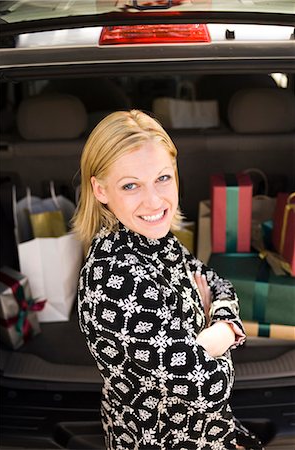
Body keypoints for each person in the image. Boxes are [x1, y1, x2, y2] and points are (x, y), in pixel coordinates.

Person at [73, 110, 263, 450]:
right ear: (100, 189)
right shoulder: (118, 278)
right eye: (130, 185)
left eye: (162, 178)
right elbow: (212, 386)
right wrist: (224, 329)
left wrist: (214, 333)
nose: (154, 201)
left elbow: (220, 285)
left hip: (207, 431)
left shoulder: (152, 237)